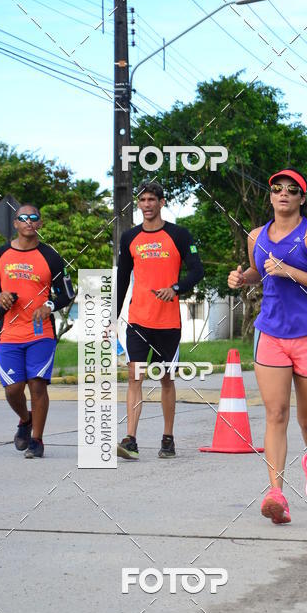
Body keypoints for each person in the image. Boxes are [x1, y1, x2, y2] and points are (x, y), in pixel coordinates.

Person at [228, 168, 307, 524]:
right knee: (276, 415)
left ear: (302, 198)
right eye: (277, 189)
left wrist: (291, 270)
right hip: (271, 333)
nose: (284, 194)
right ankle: (276, 493)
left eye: (292, 190)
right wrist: (242, 278)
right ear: (271, 196)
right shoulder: (257, 236)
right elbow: (260, 271)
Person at [116, 180, 204, 460]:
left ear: (162, 202)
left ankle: (168, 438)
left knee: (166, 379)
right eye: (142, 200)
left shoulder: (179, 235)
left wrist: (175, 288)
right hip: (138, 320)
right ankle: (130, 439)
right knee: (135, 377)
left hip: (168, 323)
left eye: (152, 199)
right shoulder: (130, 237)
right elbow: (121, 278)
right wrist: (112, 315)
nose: (147, 205)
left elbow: (197, 271)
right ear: (138, 204)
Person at [0, 204, 74, 458]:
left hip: (41, 332)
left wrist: (49, 305)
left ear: (39, 224)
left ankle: (37, 440)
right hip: (10, 333)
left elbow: (67, 293)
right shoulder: (0, 254)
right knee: (13, 389)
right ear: (15, 224)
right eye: (22, 218)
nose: (28, 221)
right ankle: (25, 420)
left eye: (33, 218)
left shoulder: (51, 256)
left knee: (37, 385)